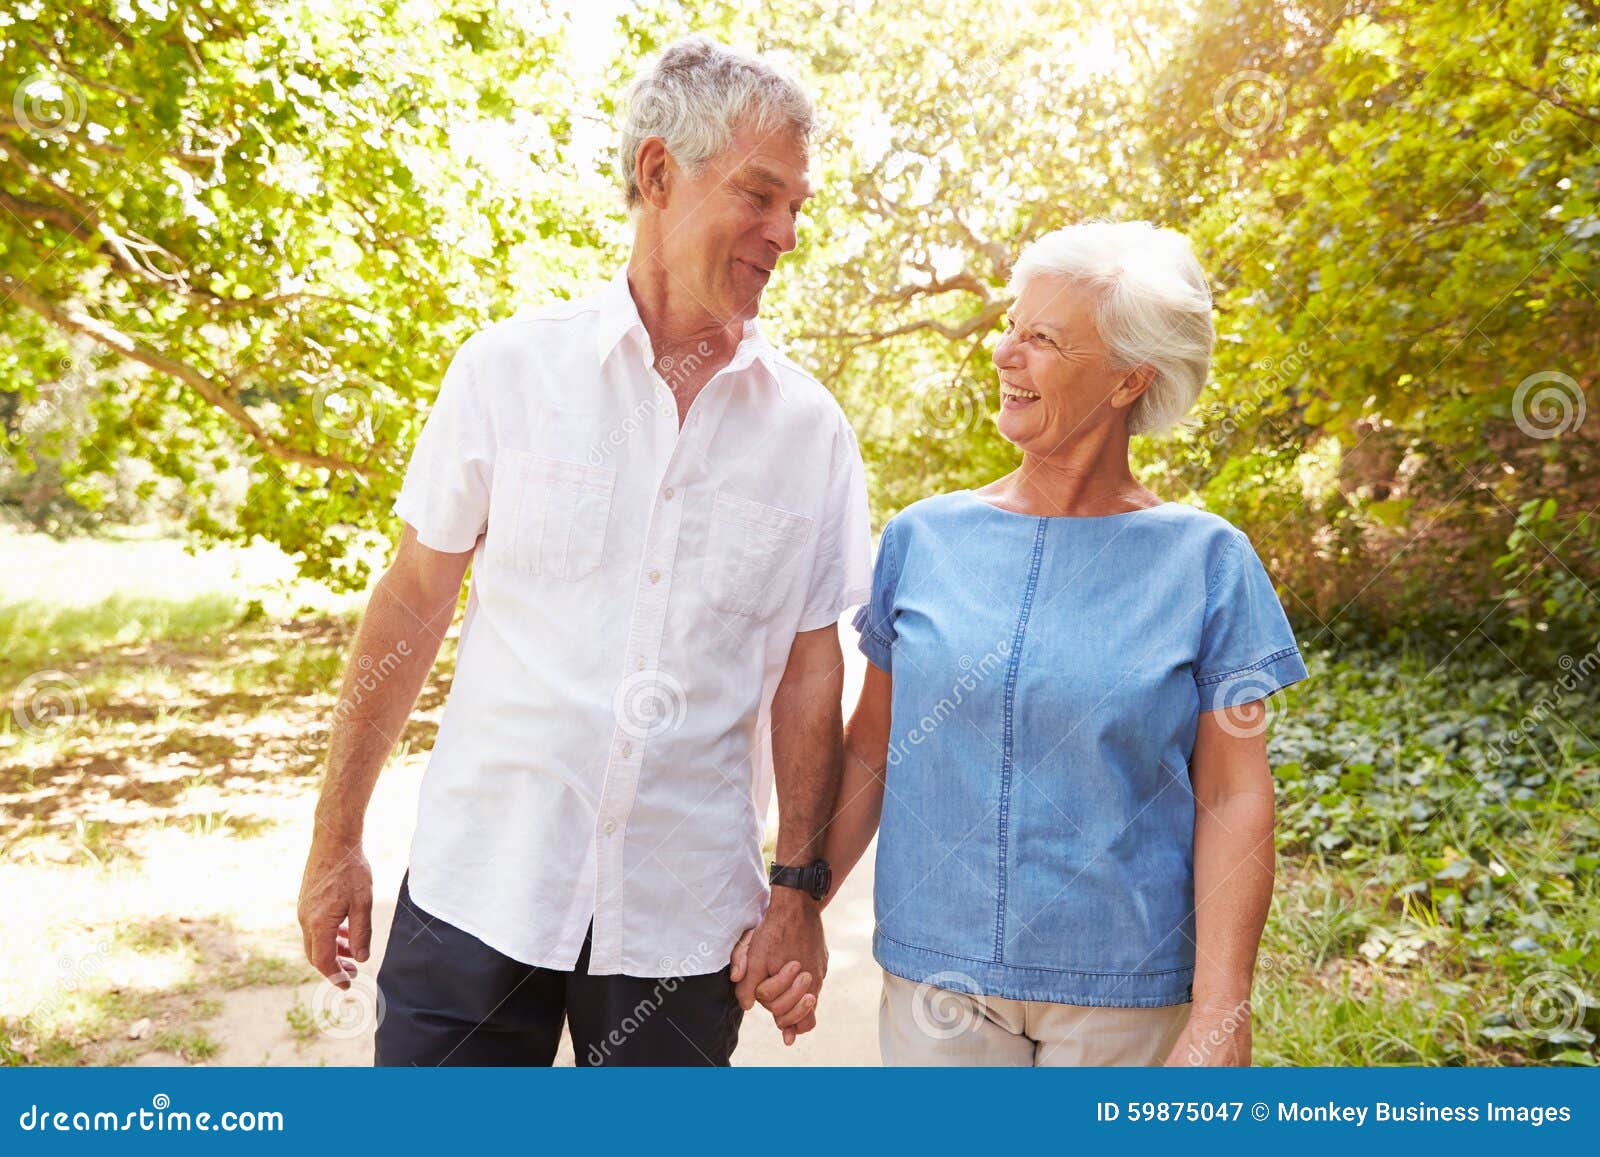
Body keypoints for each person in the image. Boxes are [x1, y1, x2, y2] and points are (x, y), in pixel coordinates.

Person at [296, 34, 870, 1066]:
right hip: (481, 889)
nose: (785, 231)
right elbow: (412, 603)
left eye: (797, 206)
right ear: (658, 171)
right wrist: (336, 838)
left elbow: (808, 669)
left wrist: (796, 891)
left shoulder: (811, 432)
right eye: (758, 194)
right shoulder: (507, 372)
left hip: (684, 928)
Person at [822, 221, 1309, 1066]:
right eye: (1010, 327)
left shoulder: (1205, 561)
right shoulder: (923, 539)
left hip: (1127, 996)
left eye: (1041, 338)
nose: (1006, 354)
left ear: (1130, 379)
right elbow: (871, 746)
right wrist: (797, 905)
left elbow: (1234, 793)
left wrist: (1224, 1006)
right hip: (939, 986)